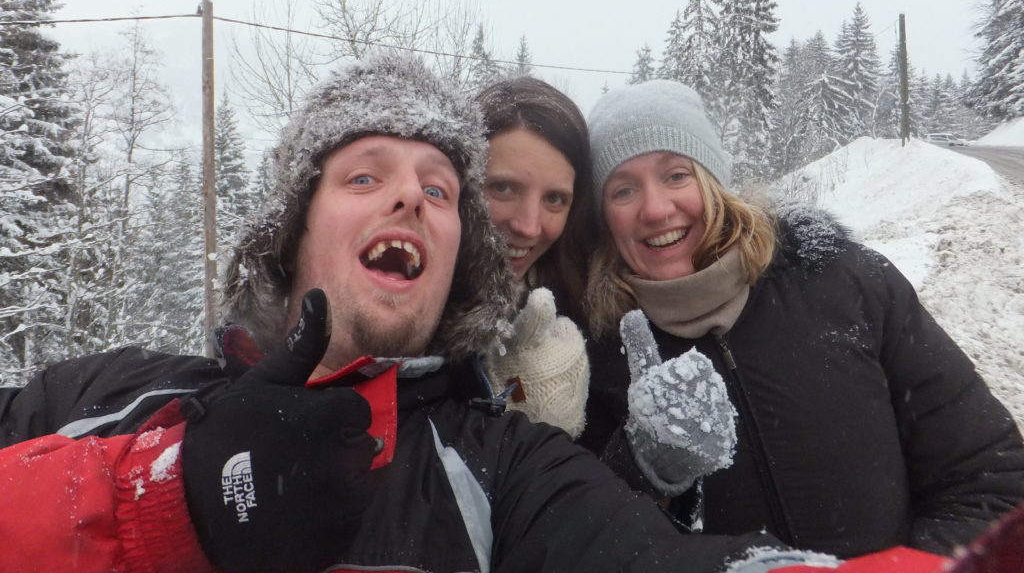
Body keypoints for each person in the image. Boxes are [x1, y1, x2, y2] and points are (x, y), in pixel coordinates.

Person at [0, 52, 815, 573]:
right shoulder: (108, 398)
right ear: (292, 227)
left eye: (438, 188)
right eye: (364, 177)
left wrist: (659, 474)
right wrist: (159, 505)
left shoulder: (504, 465)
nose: (407, 195)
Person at [579, 78, 1024, 560]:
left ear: (713, 182)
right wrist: (640, 467)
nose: (656, 209)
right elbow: (588, 546)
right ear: (604, 217)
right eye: (623, 190)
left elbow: (989, 479)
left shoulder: (847, 283)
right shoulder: (596, 355)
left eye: (676, 176)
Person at [475, 76, 595, 437]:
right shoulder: (402, 309)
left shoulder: (584, 311)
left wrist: (552, 439)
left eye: (554, 199)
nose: (529, 227)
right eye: (502, 187)